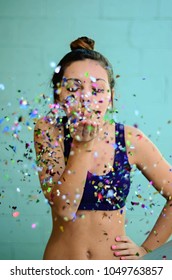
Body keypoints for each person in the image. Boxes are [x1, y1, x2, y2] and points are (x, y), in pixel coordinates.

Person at [34, 36, 172, 260]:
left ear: (111, 98)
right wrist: (82, 145)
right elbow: (64, 209)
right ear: (58, 96)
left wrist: (146, 249)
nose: (86, 97)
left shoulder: (129, 139)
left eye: (97, 90)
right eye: (73, 88)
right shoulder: (49, 132)